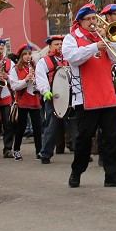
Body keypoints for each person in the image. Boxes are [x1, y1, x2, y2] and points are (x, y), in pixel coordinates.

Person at [63, 5, 116, 188]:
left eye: (95, 18)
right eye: (89, 19)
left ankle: (112, 175)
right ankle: (77, 171)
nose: (93, 22)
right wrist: (95, 46)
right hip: (85, 97)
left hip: (107, 95)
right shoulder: (72, 38)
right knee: (85, 139)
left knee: (114, 137)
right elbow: (72, 57)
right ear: (80, 22)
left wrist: (109, 40)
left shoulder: (102, 35)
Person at [35, 35, 67, 164]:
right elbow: (40, 77)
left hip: (70, 96)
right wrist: (45, 91)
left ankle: (81, 152)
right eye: (56, 44)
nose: (59, 46)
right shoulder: (44, 61)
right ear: (50, 47)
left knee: (75, 125)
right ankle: (46, 153)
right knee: (52, 125)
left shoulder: (69, 58)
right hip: (54, 97)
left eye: (61, 44)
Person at [8, 45, 43, 160]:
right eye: (25, 54)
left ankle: (39, 151)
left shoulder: (34, 67)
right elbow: (14, 86)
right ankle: (16, 150)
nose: (28, 56)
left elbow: (40, 83)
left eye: (29, 54)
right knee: (21, 128)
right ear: (21, 56)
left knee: (37, 128)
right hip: (22, 101)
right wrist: (25, 80)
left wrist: (35, 82)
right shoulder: (16, 69)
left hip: (34, 100)